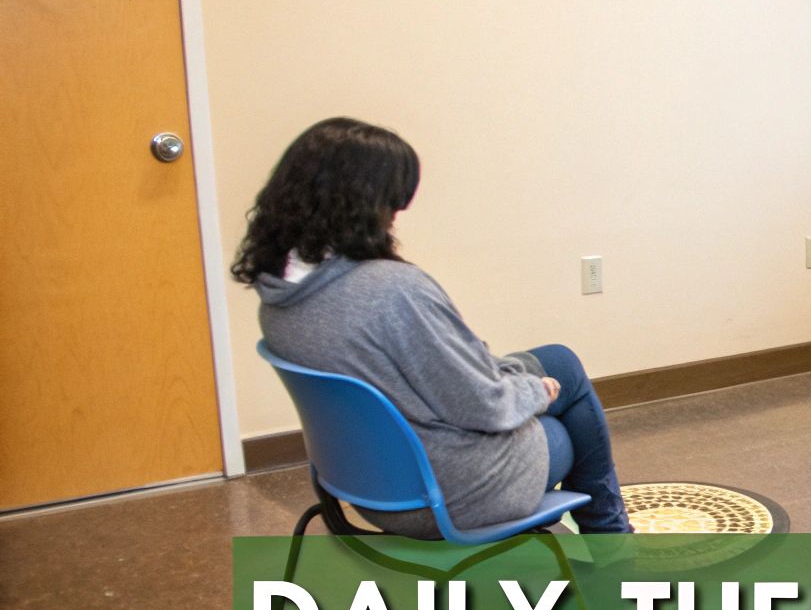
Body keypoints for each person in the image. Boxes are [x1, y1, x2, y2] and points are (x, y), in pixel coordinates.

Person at [233, 117, 634, 543]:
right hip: (450, 495)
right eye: (392, 204)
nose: (393, 218)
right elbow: (483, 406)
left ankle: (599, 542)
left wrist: (509, 374)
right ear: (361, 205)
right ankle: (612, 545)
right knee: (561, 419)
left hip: (367, 487)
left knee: (558, 359)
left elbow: (427, 375)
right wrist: (537, 391)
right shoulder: (391, 291)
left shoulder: (279, 295)